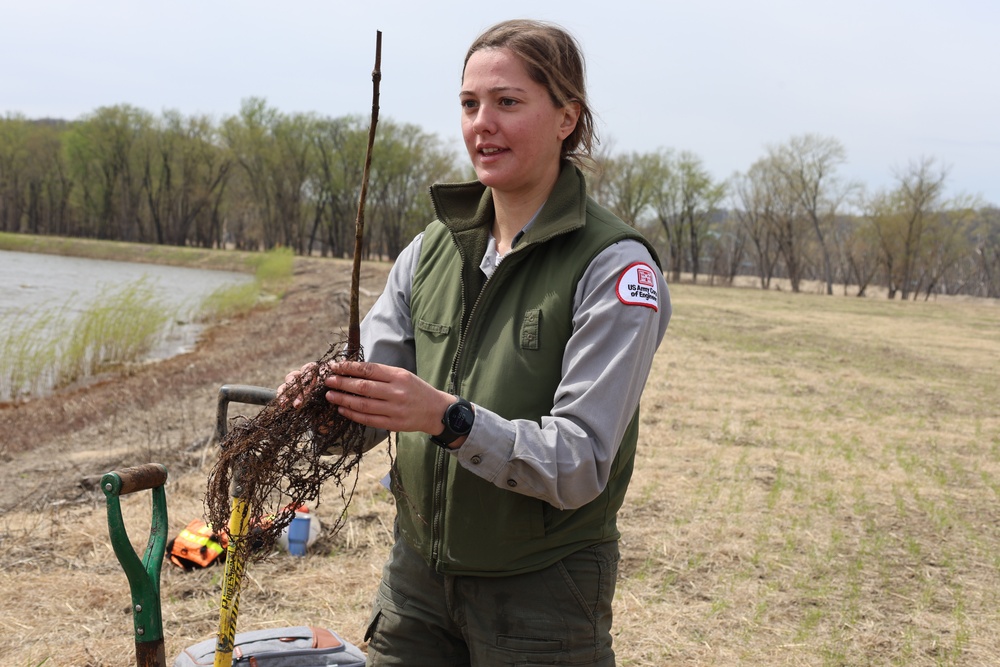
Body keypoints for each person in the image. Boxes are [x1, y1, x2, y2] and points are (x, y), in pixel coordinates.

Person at [280, 18, 670, 666]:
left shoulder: (615, 268)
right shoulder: (429, 251)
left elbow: (578, 462)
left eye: (507, 102)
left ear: (566, 117)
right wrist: (328, 400)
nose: (481, 123)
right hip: (417, 579)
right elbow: (380, 398)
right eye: (469, 104)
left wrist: (448, 419)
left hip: (543, 589)